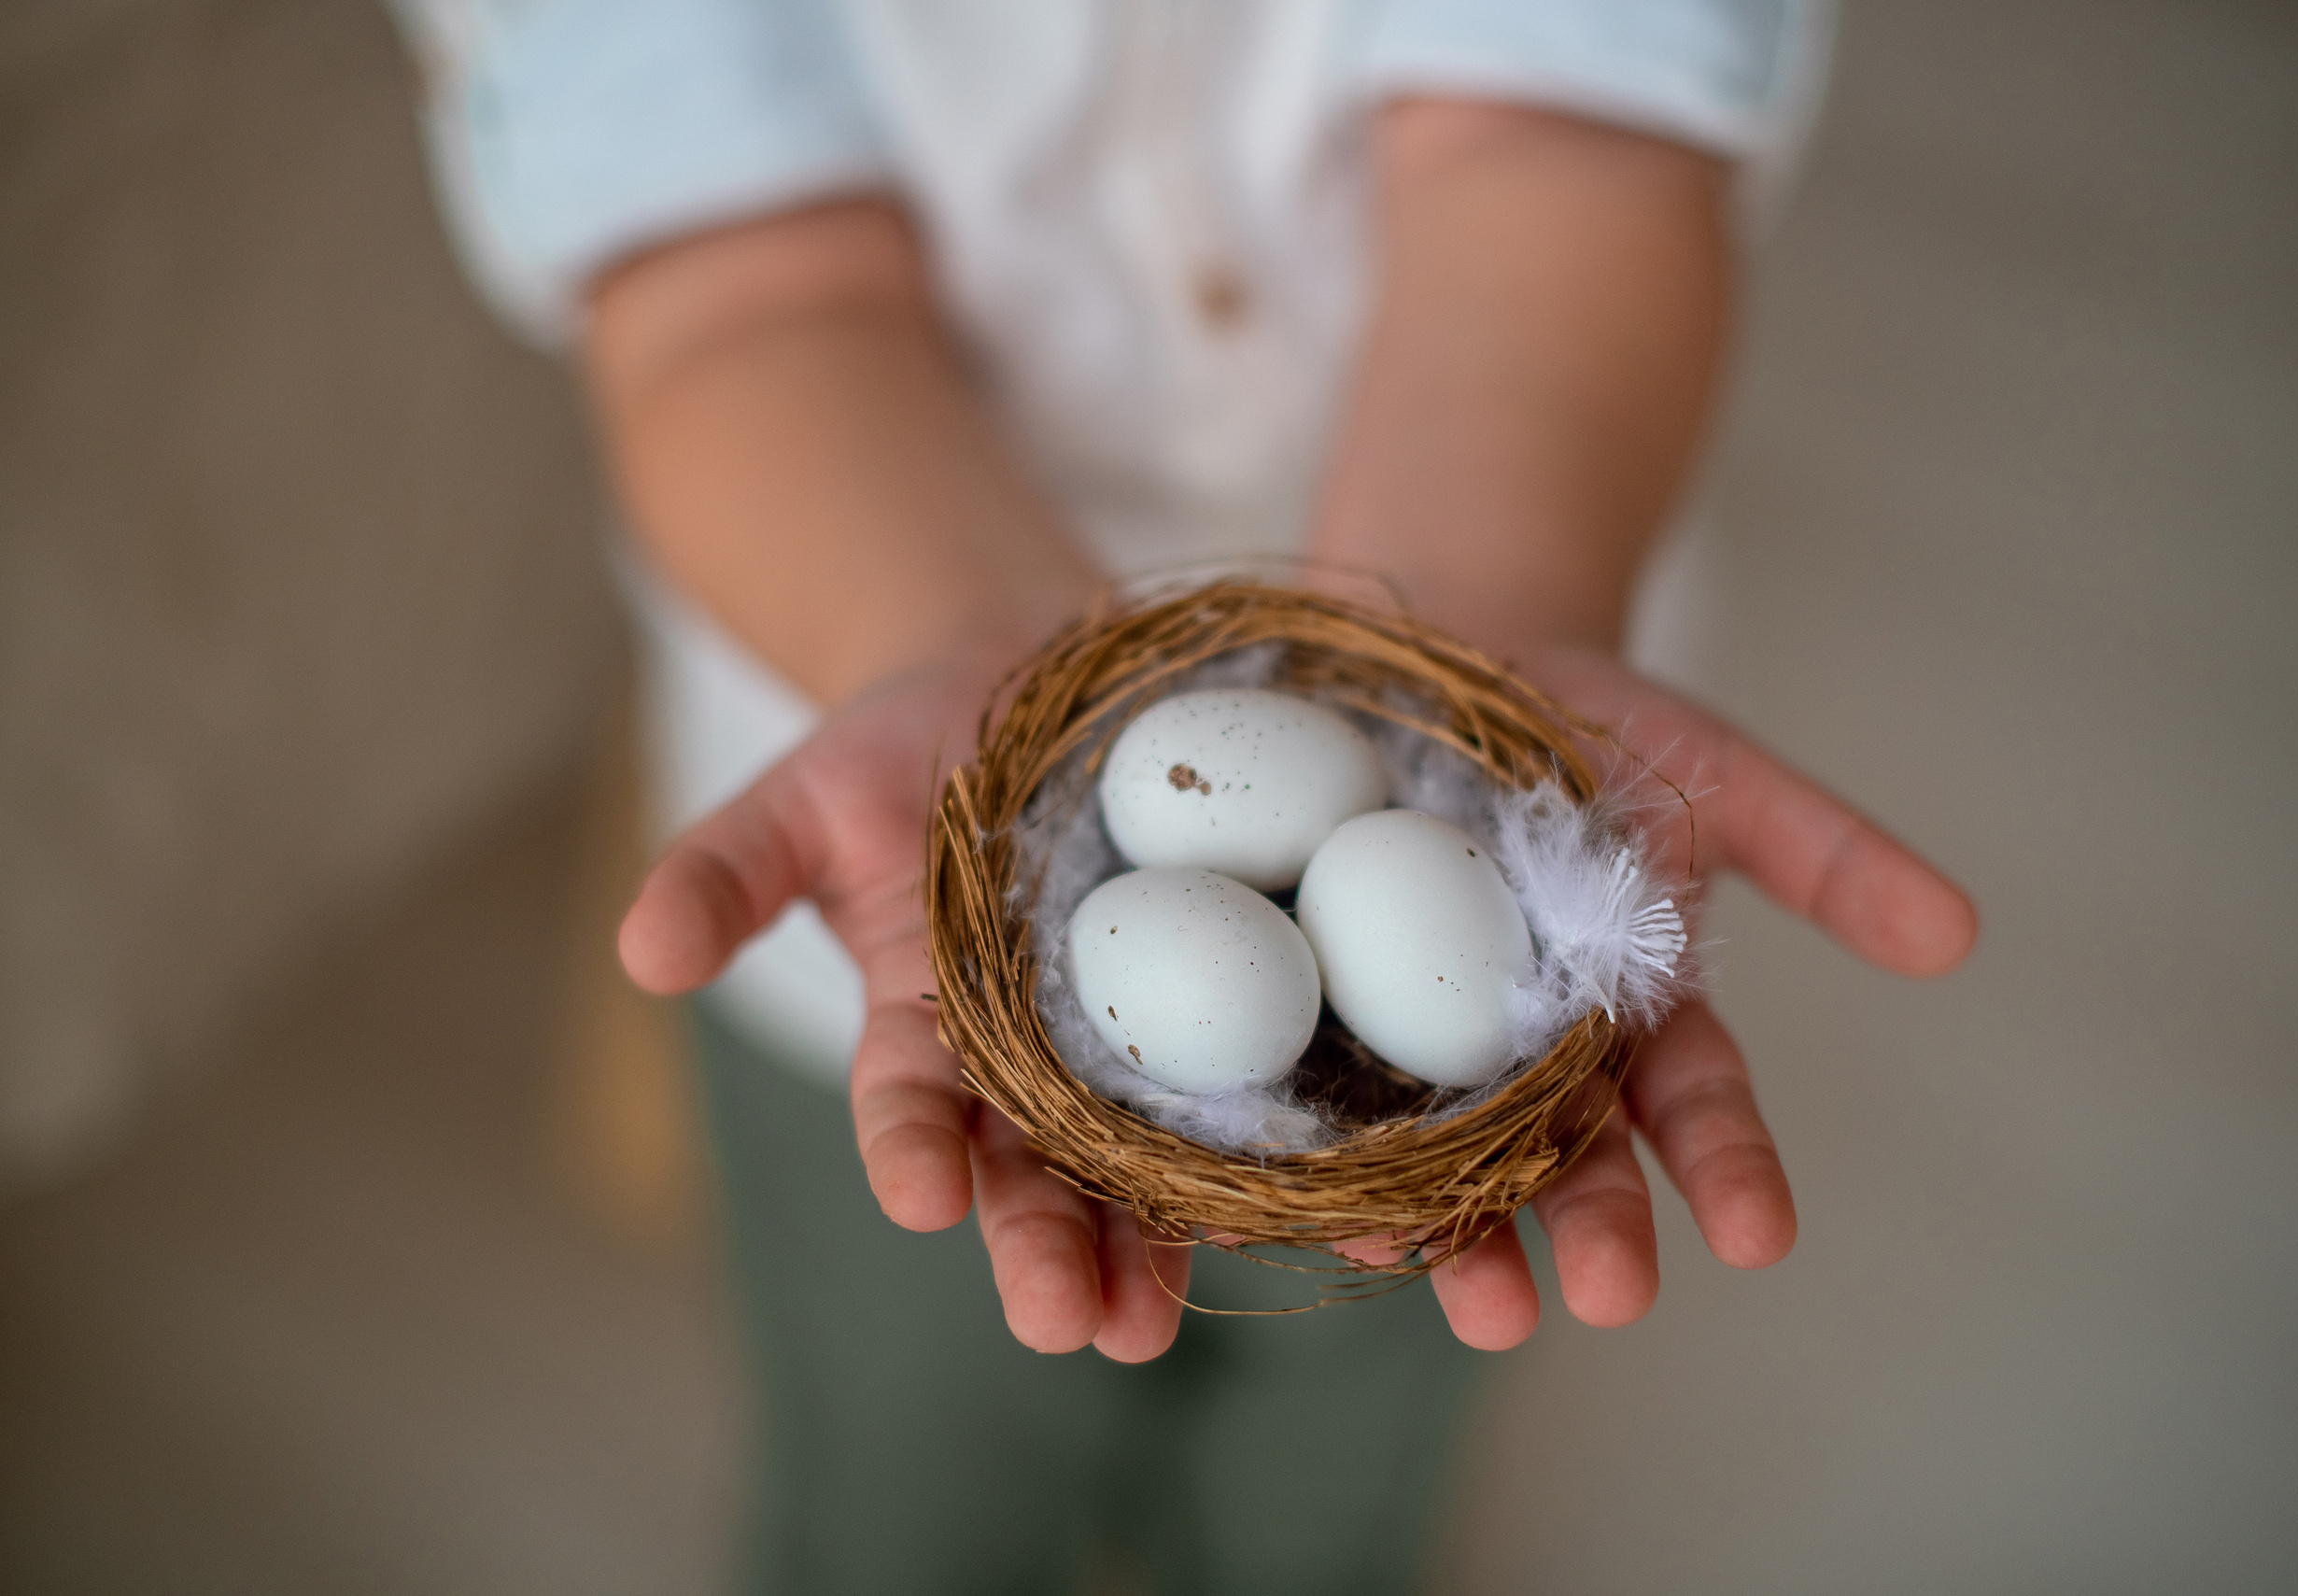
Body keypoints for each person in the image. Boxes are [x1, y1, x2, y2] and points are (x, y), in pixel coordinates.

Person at [390, 2, 1976, 1589]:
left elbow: (1560, 119)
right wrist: (956, 652)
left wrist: (1478, 604)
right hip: (909, 888)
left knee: (1341, 1465)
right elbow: (730, 286)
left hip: (1506, 676)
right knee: (912, 1471)